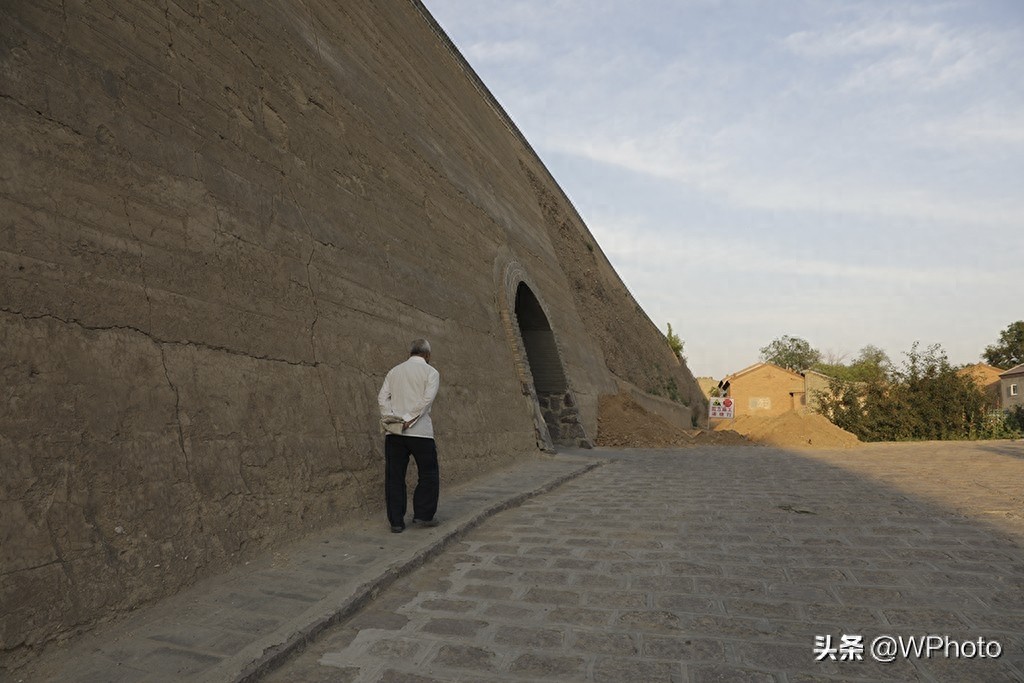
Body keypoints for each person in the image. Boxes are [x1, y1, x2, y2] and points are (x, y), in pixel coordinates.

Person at [377, 338, 441, 533]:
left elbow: (382, 398)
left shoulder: (394, 371)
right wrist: (407, 419)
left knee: (394, 476)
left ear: (410, 352)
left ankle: (396, 521)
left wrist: (393, 419)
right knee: (428, 474)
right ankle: (423, 515)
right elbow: (426, 401)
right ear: (427, 355)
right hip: (421, 433)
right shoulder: (431, 372)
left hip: (395, 433)